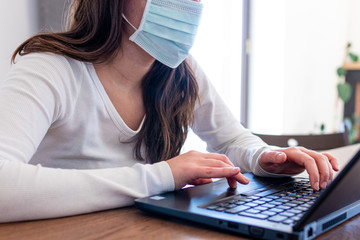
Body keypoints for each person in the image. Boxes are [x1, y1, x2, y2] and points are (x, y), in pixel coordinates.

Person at [0, 0, 338, 223]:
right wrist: (163, 175)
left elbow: (231, 137)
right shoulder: (49, 68)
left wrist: (266, 157)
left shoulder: (183, 71)